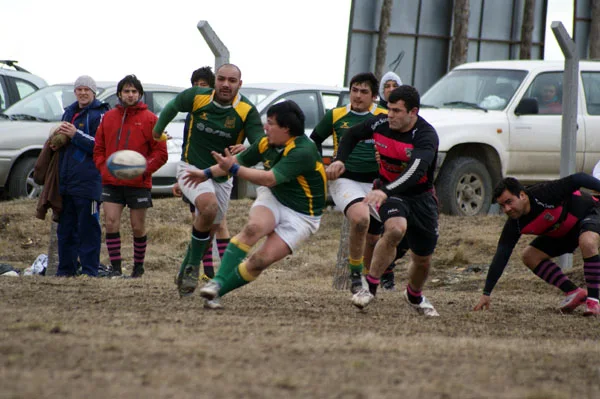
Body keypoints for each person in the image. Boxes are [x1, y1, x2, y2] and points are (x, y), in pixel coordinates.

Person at [181, 100, 327, 309]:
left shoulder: (302, 151)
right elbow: (237, 161)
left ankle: (218, 292)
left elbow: (268, 178)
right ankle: (217, 281)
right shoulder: (266, 143)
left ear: (286, 129)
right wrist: (205, 174)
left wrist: (232, 169)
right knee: (253, 228)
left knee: (259, 261)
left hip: (303, 216)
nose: (265, 127)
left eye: (270, 123)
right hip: (275, 197)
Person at [152, 63, 264, 298]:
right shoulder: (197, 97)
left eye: (231, 81)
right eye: (221, 79)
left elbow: (261, 144)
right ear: (215, 81)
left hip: (223, 177)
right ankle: (194, 267)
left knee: (210, 229)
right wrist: (157, 131)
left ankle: (186, 270)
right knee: (208, 207)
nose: (225, 84)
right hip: (190, 167)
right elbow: (172, 106)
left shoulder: (246, 111)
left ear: (239, 84)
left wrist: (246, 147)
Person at [330, 85, 441, 316]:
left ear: (413, 112)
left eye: (397, 111)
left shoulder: (425, 136)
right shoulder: (379, 123)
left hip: (420, 197)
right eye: (389, 109)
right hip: (391, 193)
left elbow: (417, 171)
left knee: (422, 260)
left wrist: (387, 191)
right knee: (395, 230)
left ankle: (414, 295)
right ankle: (369, 288)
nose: (390, 115)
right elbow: (351, 135)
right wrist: (341, 159)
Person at [473, 174, 600, 316]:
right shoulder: (514, 224)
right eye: (502, 205)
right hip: (564, 233)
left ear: (522, 195)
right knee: (529, 256)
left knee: (587, 241)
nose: (507, 209)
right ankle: (574, 292)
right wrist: (486, 293)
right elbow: (501, 255)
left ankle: (593, 301)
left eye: (509, 202)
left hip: (591, 212)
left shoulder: (544, 193)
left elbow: (579, 179)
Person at [310, 72, 387, 294]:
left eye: (364, 92)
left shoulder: (383, 116)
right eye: (354, 90)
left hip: (377, 183)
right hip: (345, 179)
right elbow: (313, 141)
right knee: (361, 219)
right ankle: (355, 277)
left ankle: (367, 279)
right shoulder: (335, 115)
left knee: (374, 237)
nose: (358, 96)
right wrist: (322, 167)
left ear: (374, 96)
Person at [93, 75, 168, 278]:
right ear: (119, 94)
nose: (130, 95)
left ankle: (138, 268)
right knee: (110, 222)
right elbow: (98, 148)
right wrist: (104, 169)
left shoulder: (151, 119)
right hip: (111, 182)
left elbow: (161, 153)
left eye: (134, 91)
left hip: (138, 183)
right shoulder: (108, 118)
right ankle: (116, 268)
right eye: (126, 91)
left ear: (140, 94)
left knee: (138, 226)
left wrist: (143, 169)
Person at [53, 76, 110, 277]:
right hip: (68, 180)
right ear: (75, 92)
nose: (83, 93)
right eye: (79, 89)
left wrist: (75, 134)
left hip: (89, 181)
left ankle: (89, 271)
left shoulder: (101, 114)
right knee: (65, 228)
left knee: (89, 228)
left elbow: (101, 146)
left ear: (94, 93)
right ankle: (65, 270)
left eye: (87, 89)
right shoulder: (69, 112)